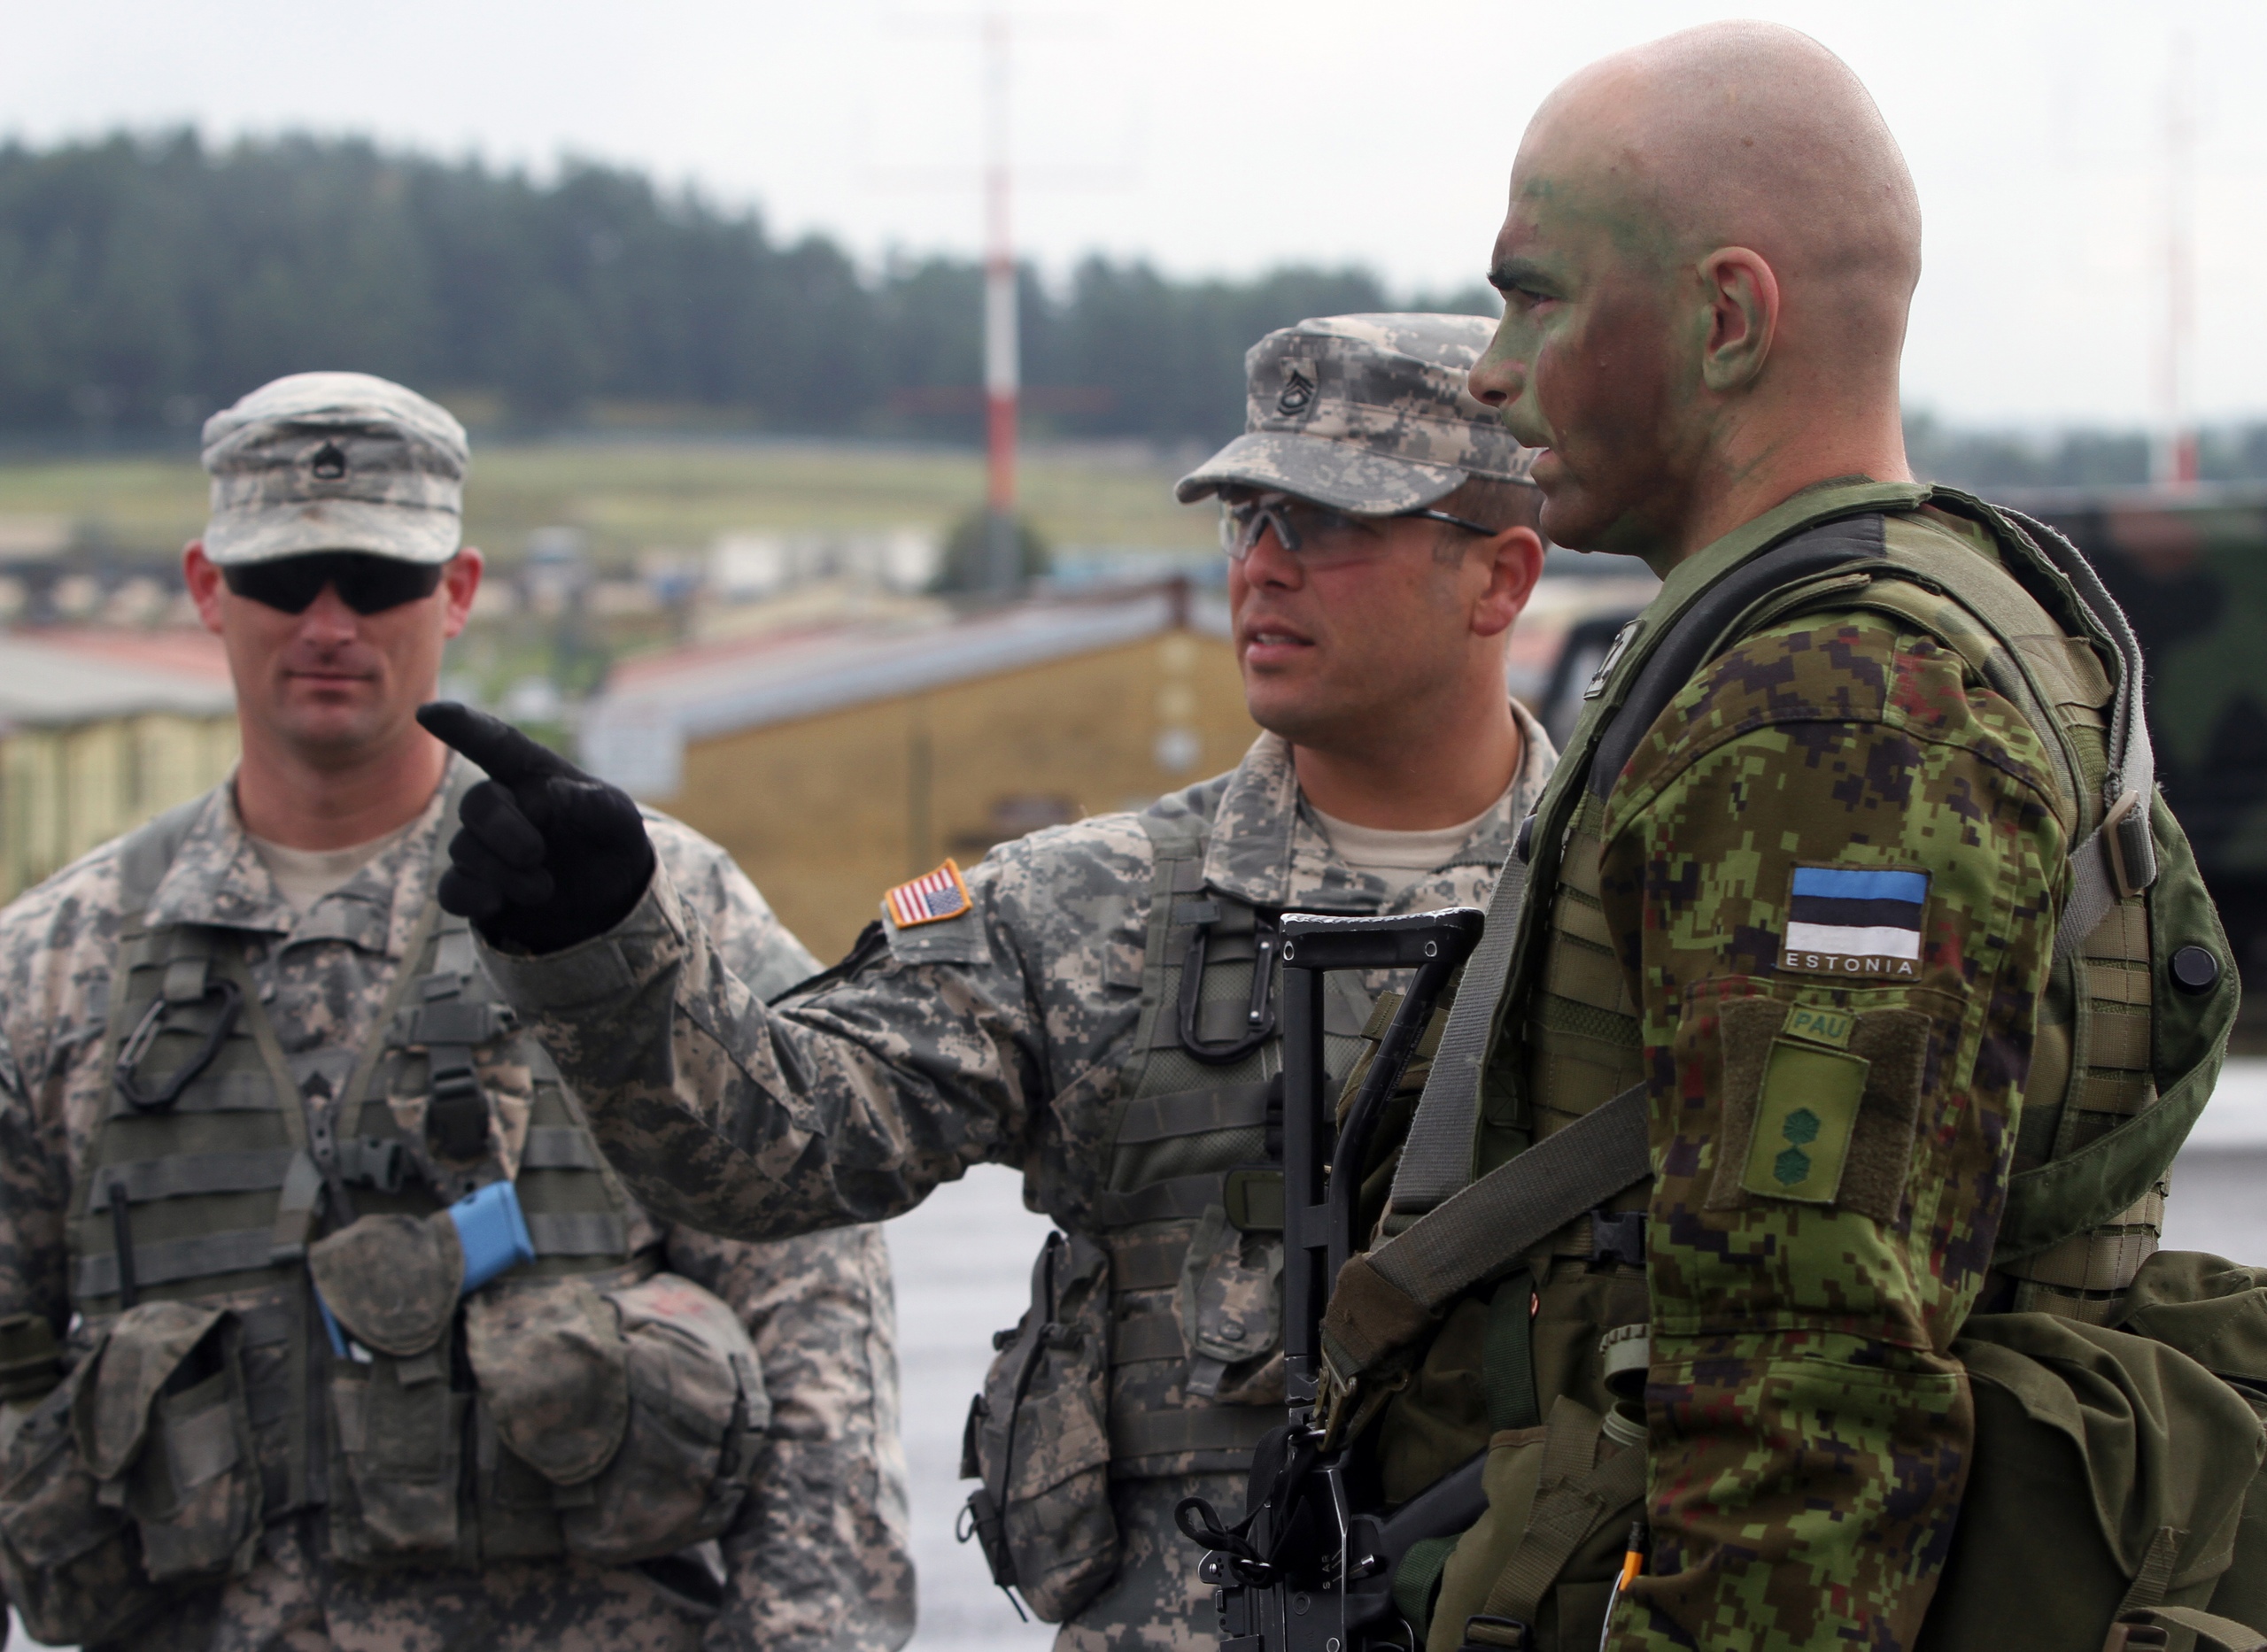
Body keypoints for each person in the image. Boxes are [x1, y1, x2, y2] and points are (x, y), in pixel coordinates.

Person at [1290, 21, 2245, 1652]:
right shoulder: (1926, 622)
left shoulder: (1827, 712)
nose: (1492, 370)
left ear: (1726, 319)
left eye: (1537, 294)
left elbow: (1811, 1407)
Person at [417, 313, 1560, 1649]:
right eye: (1246, 521)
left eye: (1322, 525)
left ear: (1500, 576)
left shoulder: (1615, 901)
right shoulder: (1094, 907)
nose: (1262, 569)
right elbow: (773, 1146)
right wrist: (606, 942)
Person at [0, 374, 913, 1652]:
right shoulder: (55, 966)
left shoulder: (638, 904)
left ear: (459, 588)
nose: (329, 622)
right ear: (208, 586)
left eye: (376, 578)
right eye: (286, 577)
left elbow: (818, 1321)